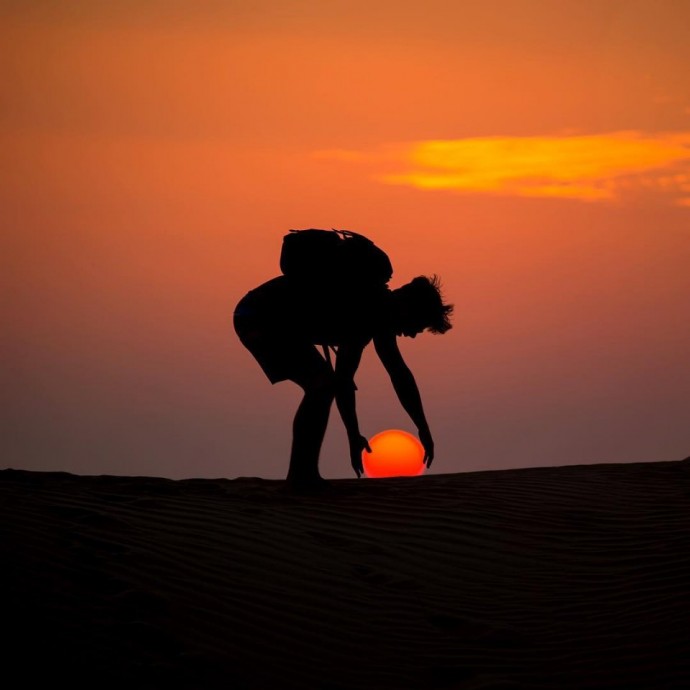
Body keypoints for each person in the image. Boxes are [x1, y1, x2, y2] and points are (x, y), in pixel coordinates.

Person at [233, 272, 453, 490]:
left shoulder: (379, 313)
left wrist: (422, 428)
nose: (414, 334)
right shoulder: (368, 309)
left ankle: (302, 474)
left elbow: (397, 375)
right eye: (419, 324)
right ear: (409, 308)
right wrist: (353, 434)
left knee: (323, 384)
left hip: (267, 318)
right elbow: (345, 379)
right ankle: (301, 476)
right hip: (258, 318)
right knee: (321, 385)